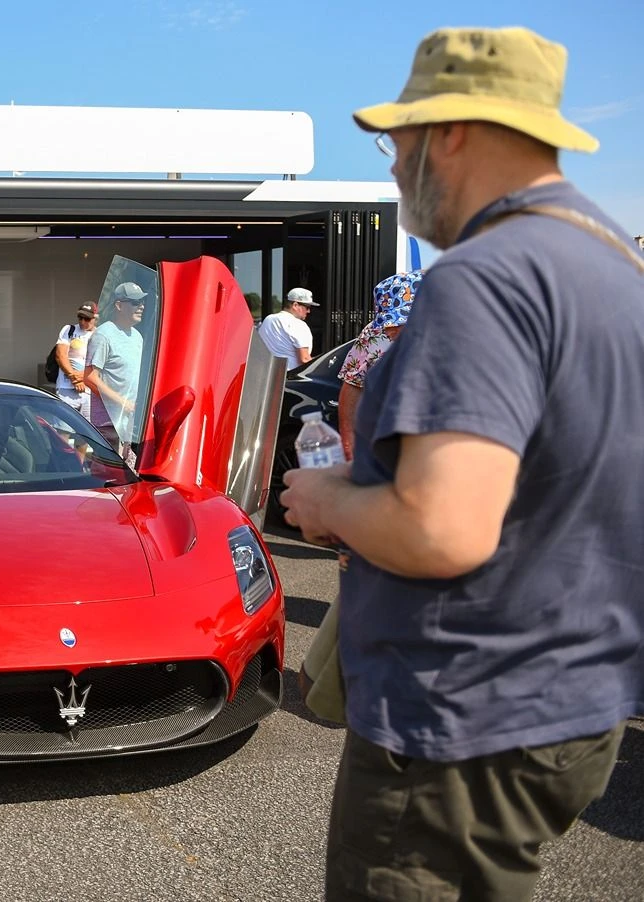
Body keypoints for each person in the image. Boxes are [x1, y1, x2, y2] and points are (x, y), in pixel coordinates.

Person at [281, 26, 644, 900]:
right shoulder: (615, 263)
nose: (395, 170)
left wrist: (327, 500)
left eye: (397, 144)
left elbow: (441, 529)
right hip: (575, 697)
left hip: (460, 716)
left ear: (448, 133)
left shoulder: (482, 278)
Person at [334, 271, 422, 459]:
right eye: (386, 322)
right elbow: (353, 385)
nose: (389, 330)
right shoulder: (375, 334)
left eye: (399, 322)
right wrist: (349, 447)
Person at [83, 282, 148, 467]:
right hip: (108, 426)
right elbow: (89, 377)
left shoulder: (137, 337)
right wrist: (122, 403)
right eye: (135, 302)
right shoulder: (103, 335)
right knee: (108, 478)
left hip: (129, 426)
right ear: (119, 305)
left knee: (129, 478)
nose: (141, 306)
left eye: (142, 302)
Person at [52, 302, 97, 414]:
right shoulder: (69, 329)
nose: (82, 322)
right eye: (80, 317)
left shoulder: (100, 335)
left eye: (87, 319)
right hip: (66, 389)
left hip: (90, 392)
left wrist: (83, 378)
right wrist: (74, 378)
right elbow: (60, 356)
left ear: (95, 318)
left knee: (88, 425)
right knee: (63, 424)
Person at [256, 287, 318, 365]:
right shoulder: (299, 325)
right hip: (293, 372)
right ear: (295, 305)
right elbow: (304, 359)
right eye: (307, 307)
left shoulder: (268, 319)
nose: (308, 311)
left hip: (267, 370)